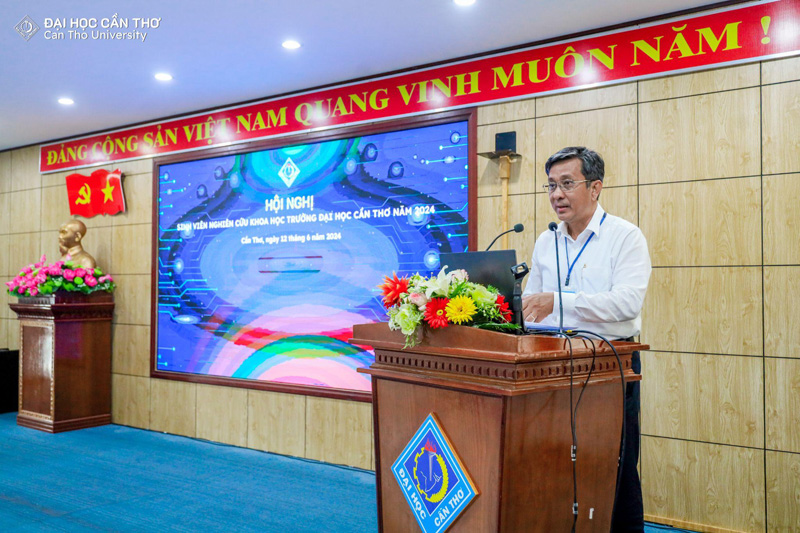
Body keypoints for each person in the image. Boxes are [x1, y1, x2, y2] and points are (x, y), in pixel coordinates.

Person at [522, 146, 651, 532]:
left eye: (567, 184)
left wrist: (559, 301)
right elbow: (532, 306)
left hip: (610, 365)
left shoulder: (625, 237)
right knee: (556, 463)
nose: (556, 194)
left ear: (595, 188)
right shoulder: (546, 241)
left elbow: (626, 304)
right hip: (552, 365)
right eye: (550, 186)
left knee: (614, 467)